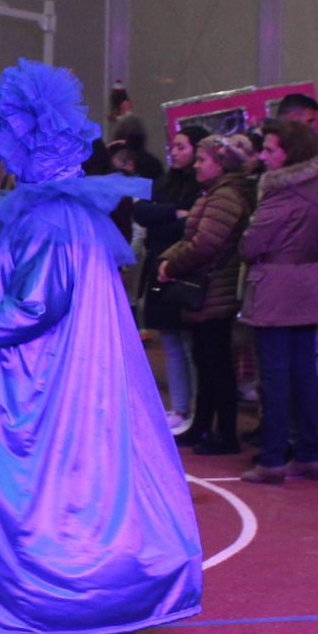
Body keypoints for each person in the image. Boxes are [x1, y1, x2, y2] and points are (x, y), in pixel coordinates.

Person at [0, 61, 203, 634]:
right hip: (49, 374)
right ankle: (44, 614)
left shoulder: (51, 217)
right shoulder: (58, 210)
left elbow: (37, 303)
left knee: (30, 493)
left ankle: (35, 619)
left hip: (35, 382)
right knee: (57, 489)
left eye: (4, 141)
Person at [238, 120, 318, 482]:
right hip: (309, 282)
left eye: (269, 149)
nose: (262, 156)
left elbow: (251, 244)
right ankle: (307, 452)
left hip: (277, 287)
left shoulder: (281, 193)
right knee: (304, 371)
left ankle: (273, 456)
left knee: (276, 375)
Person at [155, 135, 255, 456]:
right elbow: (194, 239)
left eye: (202, 160)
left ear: (220, 164)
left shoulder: (225, 196)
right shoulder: (215, 193)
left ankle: (224, 433)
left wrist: (171, 265)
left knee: (217, 363)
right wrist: (167, 259)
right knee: (206, 360)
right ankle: (202, 425)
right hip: (210, 289)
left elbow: (205, 243)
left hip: (215, 290)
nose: (196, 165)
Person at [131, 127, 202, 431]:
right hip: (159, 267)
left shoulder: (201, 186)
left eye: (182, 147)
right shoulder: (164, 182)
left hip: (185, 269)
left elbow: (190, 226)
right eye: (173, 146)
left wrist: (165, 218)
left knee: (189, 345)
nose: (174, 152)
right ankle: (180, 407)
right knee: (171, 342)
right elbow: (141, 211)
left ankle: (197, 408)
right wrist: (173, 213)